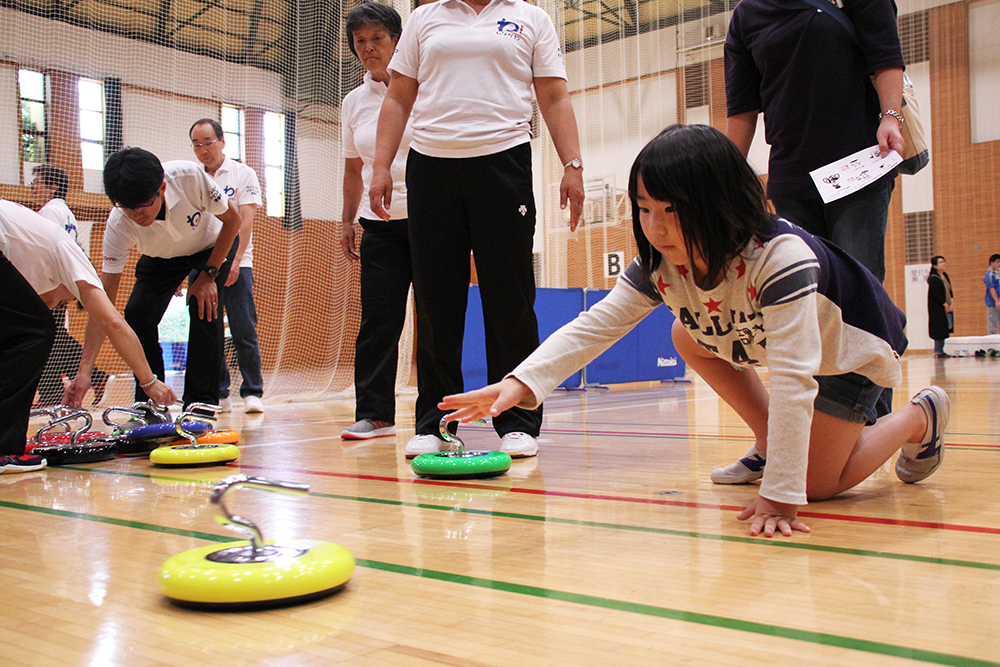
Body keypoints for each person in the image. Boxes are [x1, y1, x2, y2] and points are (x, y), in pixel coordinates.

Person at [439, 125, 949, 539]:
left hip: (851, 352)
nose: (655, 228)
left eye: (672, 212)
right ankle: (770, 442)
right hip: (781, 342)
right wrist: (520, 384)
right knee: (687, 336)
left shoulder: (780, 258)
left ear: (718, 203)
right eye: (645, 209)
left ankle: (918, 415)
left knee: (815, 485)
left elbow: (795, 380)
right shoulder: (661, 262)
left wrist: (780, 490)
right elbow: (594, 326)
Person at [370, 0, 586, 458]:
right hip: (431, 167)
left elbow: (554, 96)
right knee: (434, 300)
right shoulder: (426, 19)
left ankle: (518, 420)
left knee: (509, 297)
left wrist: (573, 165)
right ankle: (436, 421)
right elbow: (397, 96)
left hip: (503, 162)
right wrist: (381, 166)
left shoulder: (532, 18)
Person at [724, 0, 905, 284]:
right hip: (792, 178)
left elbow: (886, 55)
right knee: (808, 291)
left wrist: (890, 117)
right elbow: (741, 107)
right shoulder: (748, 14)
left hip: (856, 165)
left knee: (859, 288)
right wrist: (725, 177)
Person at [0, 199, 176, 473]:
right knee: (36, 330)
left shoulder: (28, 253)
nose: (59, 305)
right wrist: (149, 381)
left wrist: (84, 375)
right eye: (66, 301)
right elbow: (113, 322)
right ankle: (3, 451)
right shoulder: (71, 257)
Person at [62, 147, 242, 410]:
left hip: (211, 246)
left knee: (204, 307)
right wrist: (84, 372)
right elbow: (101, 303)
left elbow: (233, 220)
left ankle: (202, 404)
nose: (137, 216)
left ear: (162, 187)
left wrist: (208, 275)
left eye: (144, 205)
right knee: (137, 312)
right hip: (161, 258)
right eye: (128, 208)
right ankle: (150, 401)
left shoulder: (189, 177)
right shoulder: (118, 225)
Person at [339, 3, 412, 440]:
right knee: (378, 320)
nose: (368, 48)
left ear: (397, 41)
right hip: (378, 224)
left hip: (429, 217)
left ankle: (438, 414)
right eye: (360, 42)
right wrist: (347, 220)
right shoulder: (352, 102)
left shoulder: (422, 87)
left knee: (440, 319)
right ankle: (376, 413)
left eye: (377, 39)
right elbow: (353, 169)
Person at [189, 119, 265, 414]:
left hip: (237, 262)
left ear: (222, 141)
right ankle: (218, 392)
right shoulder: (193, 176)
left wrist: (233, 262)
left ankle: (252, 391)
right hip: (201, 261)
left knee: (243, 327)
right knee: (207, 328)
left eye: (208, 142)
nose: (203, 149)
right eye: (197, 144)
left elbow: (244, 222)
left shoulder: (242, 173)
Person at [30, 164, 109, 406]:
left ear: (52, 186)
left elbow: (43, 251)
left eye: (37, 183)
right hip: (60, 283)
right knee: (50, 339)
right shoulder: (65, 212)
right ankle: (52, 394)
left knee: (46, 337)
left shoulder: (49, 211)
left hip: (50, 285)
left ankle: (94, 376)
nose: (32, 188)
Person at [927, 255, 954, 358]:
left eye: (944, 261)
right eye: (941, 262)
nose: (944, 264)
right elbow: (936, 293)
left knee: (945, 328)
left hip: (946, 306)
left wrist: (951, 302)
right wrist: (944, 303)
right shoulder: (934, 278)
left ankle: (941, 350)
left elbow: (950, 291)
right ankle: (937, 351)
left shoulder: (945, 276)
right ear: (935, 265)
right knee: (939, 328)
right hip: (937, 307)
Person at [984, 253, 1000, 335]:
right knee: (992, 322)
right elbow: (991, 288)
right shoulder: (989, 275)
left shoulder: (997, 273)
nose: (999, 264)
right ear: (991, 263)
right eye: (997, 262)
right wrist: (997, 301)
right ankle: (991, 339)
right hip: (992, 303)